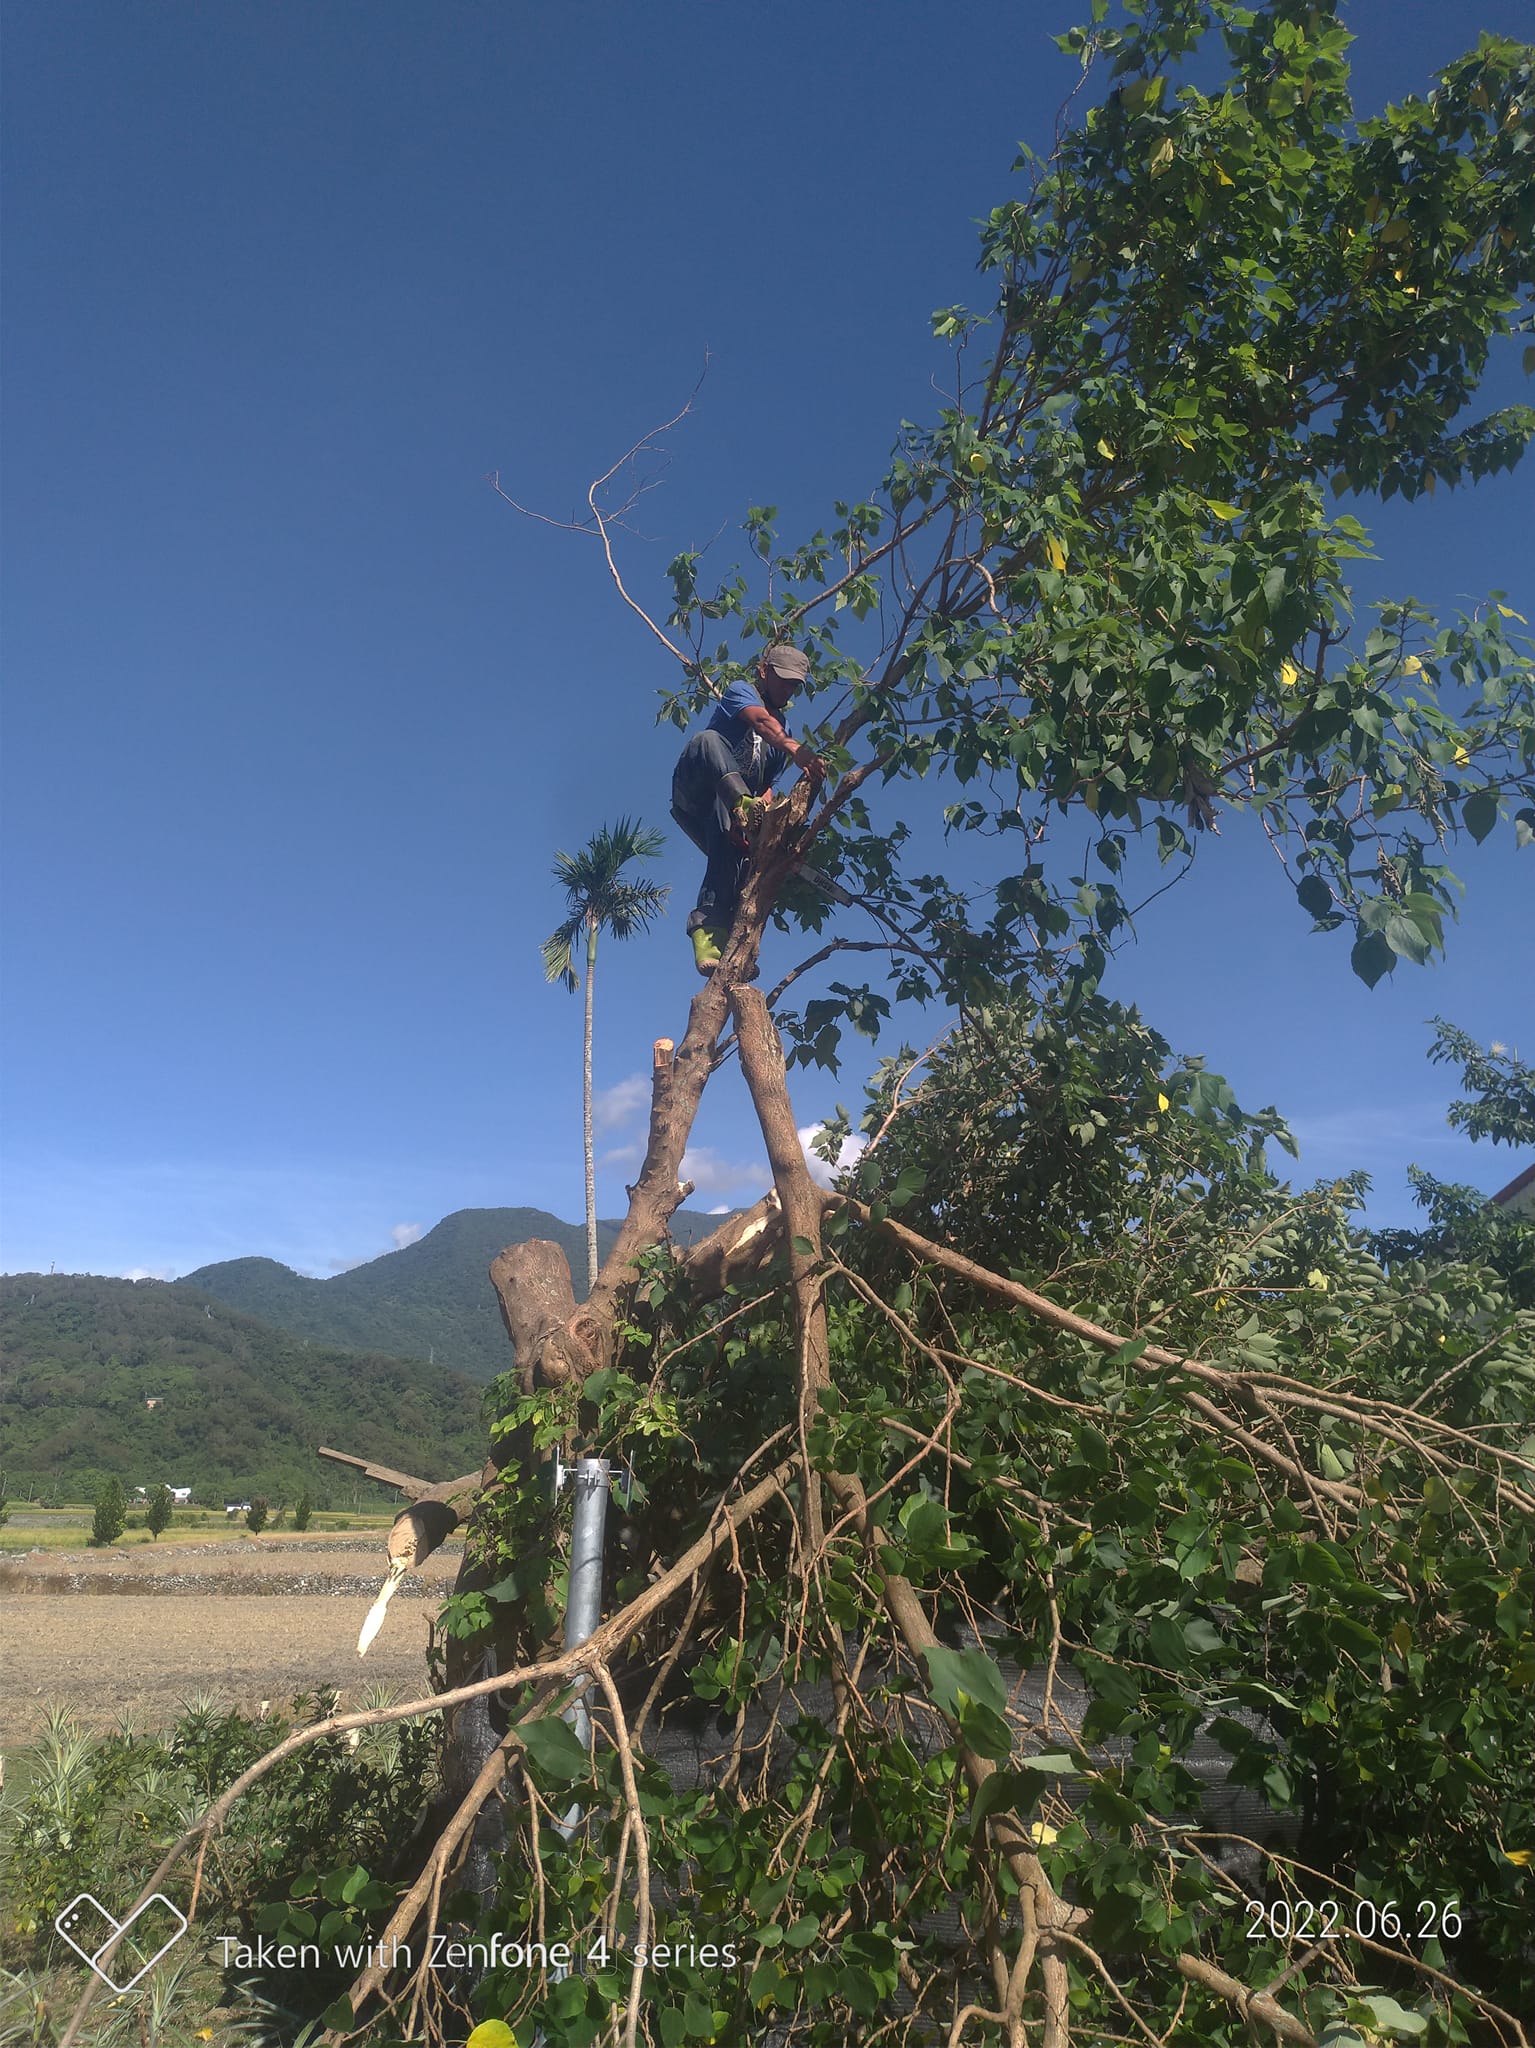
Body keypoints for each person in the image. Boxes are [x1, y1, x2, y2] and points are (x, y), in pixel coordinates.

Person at [670, 643, 824, 974]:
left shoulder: (784, 729)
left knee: (736, 856)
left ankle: (719, 939)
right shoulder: (741, 693)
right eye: (783, 680)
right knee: (707, 740)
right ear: (763, 671)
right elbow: (761, 722)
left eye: (793, 684)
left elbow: (767, 787)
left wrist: (768, 827)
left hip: (725, 813)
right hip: (696, 790)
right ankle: (739, 805)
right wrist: (795, 749)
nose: (787, 689)